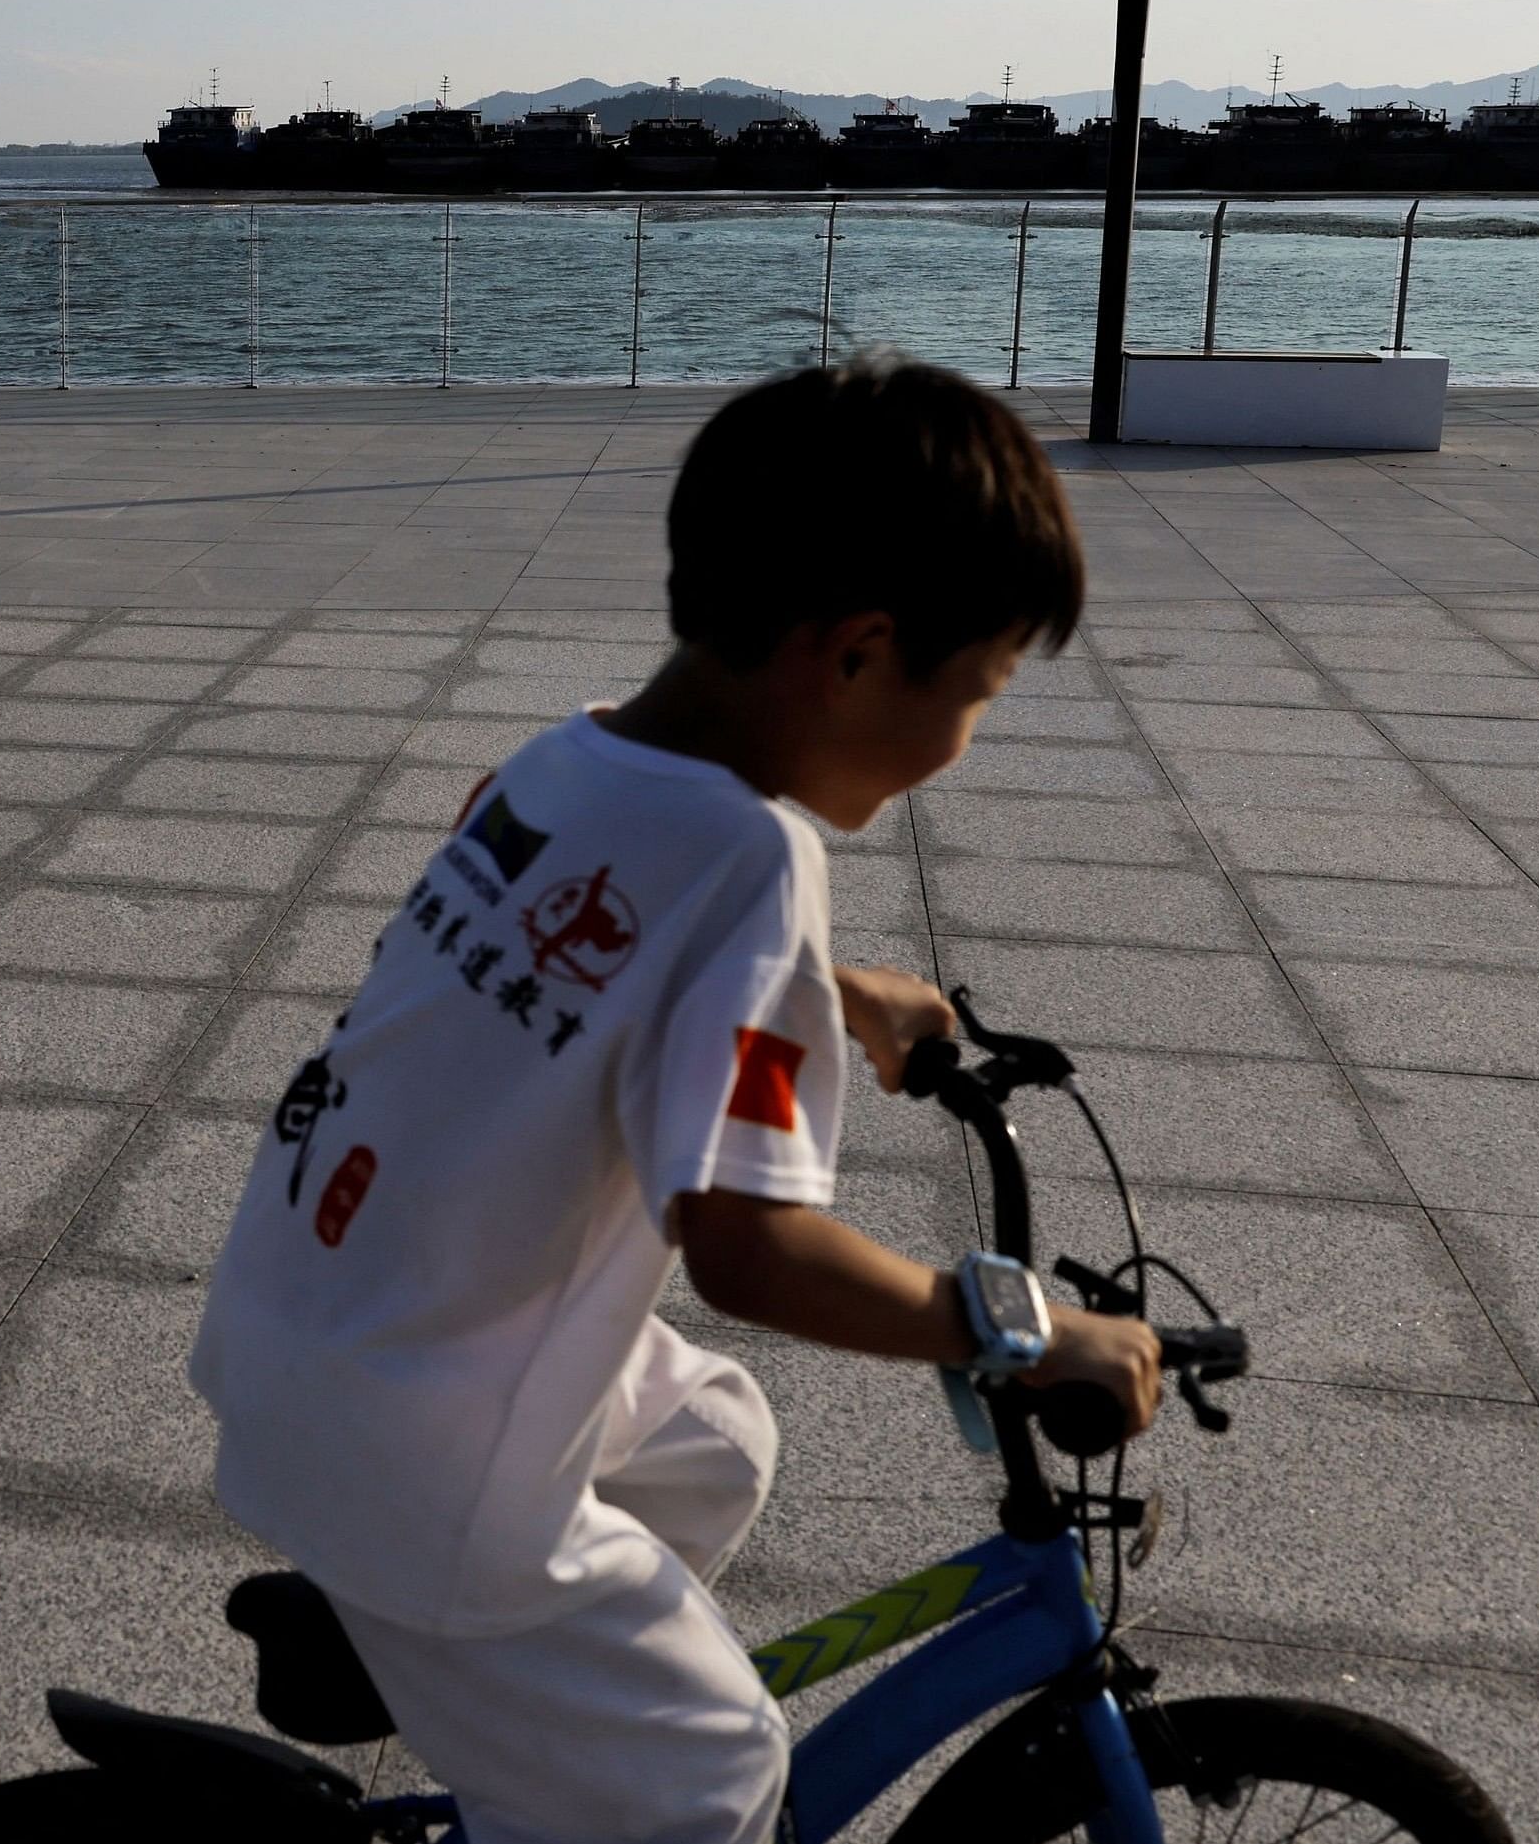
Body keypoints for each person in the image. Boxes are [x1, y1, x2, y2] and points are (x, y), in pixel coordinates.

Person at [185, 355, 1161, 1844]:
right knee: (712, 1771)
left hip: (308, 1330)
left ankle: (482, 1685)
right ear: (857, 653)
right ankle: (514, 1701)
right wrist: (1024, 1325)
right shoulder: (761, 864)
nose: (966, 737)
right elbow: (748, 1252)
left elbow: (595, 936)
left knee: (713, 1437)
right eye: (975, 693)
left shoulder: (567, 755)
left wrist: (829, 988)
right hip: (423, 1440)